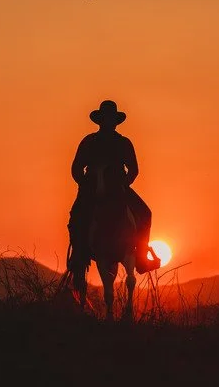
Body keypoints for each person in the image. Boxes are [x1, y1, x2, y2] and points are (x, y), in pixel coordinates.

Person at [66, 100, 154, 304]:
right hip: (91, 189)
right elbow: (76, 168)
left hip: (118, 189)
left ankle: (140, 255)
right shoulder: (89, 142)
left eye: (111, 119)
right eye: (105, 119)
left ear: (115, 121)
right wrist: (86, 183)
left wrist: (125, 182)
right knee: (76, 216)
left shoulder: (124, 143)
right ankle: (79, 256)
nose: (108, 122)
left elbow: (133, 169)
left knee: (146, 213)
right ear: (100, 120)